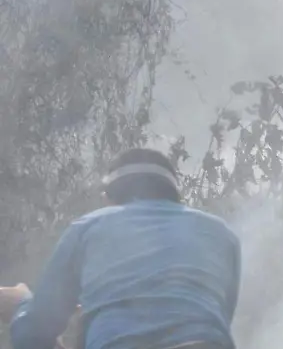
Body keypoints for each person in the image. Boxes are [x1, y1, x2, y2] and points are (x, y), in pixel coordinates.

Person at [0, 148, 242, 349]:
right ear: (174, 195)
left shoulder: (89, 227)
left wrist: (21, 304)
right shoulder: (222, 235)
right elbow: (219, 319)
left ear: (109, 197)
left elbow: (33, 335)